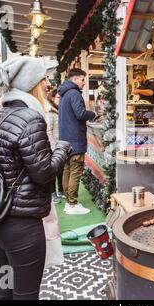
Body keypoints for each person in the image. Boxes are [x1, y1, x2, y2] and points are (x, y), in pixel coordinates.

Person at [0, 57, 71, 300]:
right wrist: (62, 149)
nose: (47, 85)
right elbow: (43, 174)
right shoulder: (30, 119)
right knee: (26, 295)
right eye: (43, 79)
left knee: (5, 287)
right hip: (21, 228)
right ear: (31, 85)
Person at [58, 68, 100, 214]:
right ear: (75, 79)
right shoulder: (74, 93)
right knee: (75, 171)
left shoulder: (64, 94)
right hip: (75, 139)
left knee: (67, 170)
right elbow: (80, 113)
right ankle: (72, 204)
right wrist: (93, 113)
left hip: (65, 140)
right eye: (83, 80)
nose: (84, 83)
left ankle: (69, 201)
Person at [46, 89, 64, 204]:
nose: (60, 100)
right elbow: (48, 131)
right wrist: (54, 147)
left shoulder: (60, 110)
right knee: (53, 171)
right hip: (52, 146)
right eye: (58, 97)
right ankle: (53, 193)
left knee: (61, 169)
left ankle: (61, 190)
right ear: (52, 98)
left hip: (60, 144)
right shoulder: (49, 112)